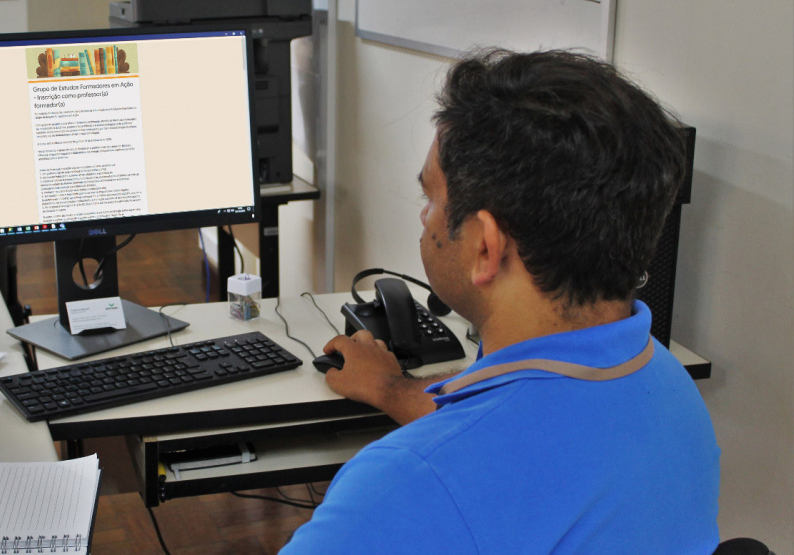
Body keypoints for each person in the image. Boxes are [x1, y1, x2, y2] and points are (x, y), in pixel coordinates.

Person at [280, 49, 720, 554]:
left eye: (432, 200)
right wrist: (388, 388)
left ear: (485, 246)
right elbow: (517, 435)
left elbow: (486, 459)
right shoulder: (667, 386)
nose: (425, 219)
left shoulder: (405, 486)